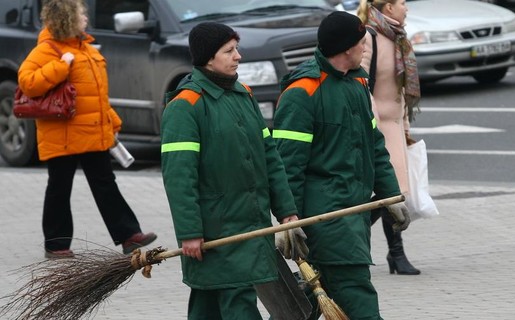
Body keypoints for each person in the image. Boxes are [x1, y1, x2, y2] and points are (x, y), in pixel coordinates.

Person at [273, 11, 410, 320]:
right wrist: (288, 219)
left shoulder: (357, 84)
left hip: (352, 212)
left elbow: (375, 144)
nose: (365, 47)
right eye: (362, 42)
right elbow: (286, 165)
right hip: (327, 217)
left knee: (305, 300)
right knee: (356, 292)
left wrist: (391, 197)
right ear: (347, 48)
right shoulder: (303, 92)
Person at [160, 22, 299, 320]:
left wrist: (286, 211)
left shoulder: (243, 95)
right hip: (216, 230)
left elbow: (269, 157)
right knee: (231, 300)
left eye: (236, 48)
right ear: (209, 58)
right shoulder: (186, 106)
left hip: (250, 222)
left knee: (210, 302)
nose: (239, 56)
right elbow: (179, 177)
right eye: (229, 50)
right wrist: (189, 232)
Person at [17, 0, 157, 259]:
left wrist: (111, 122)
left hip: (91, 131)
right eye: (80, 14)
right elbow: (28, 83)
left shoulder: (86, 48)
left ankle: (129, 236)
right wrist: (61, 66)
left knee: (105, 184)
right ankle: (56, 245)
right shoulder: (47, 49)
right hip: (63, 135)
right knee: (60, 187)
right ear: (66, 19)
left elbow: (95, 95)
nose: (85, 18)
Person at [357, 0, 422, 275]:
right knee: (388, 193)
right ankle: (348, 237)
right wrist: (373, 126)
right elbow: (359, 83)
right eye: (402, 3)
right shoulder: (369, 37)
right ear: (388, 8)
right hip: (377, 127)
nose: (407, 8)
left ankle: (395, 253)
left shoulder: (399, 37)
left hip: (394, 126)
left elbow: (401, 90)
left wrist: (406, 127)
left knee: (392, 194)